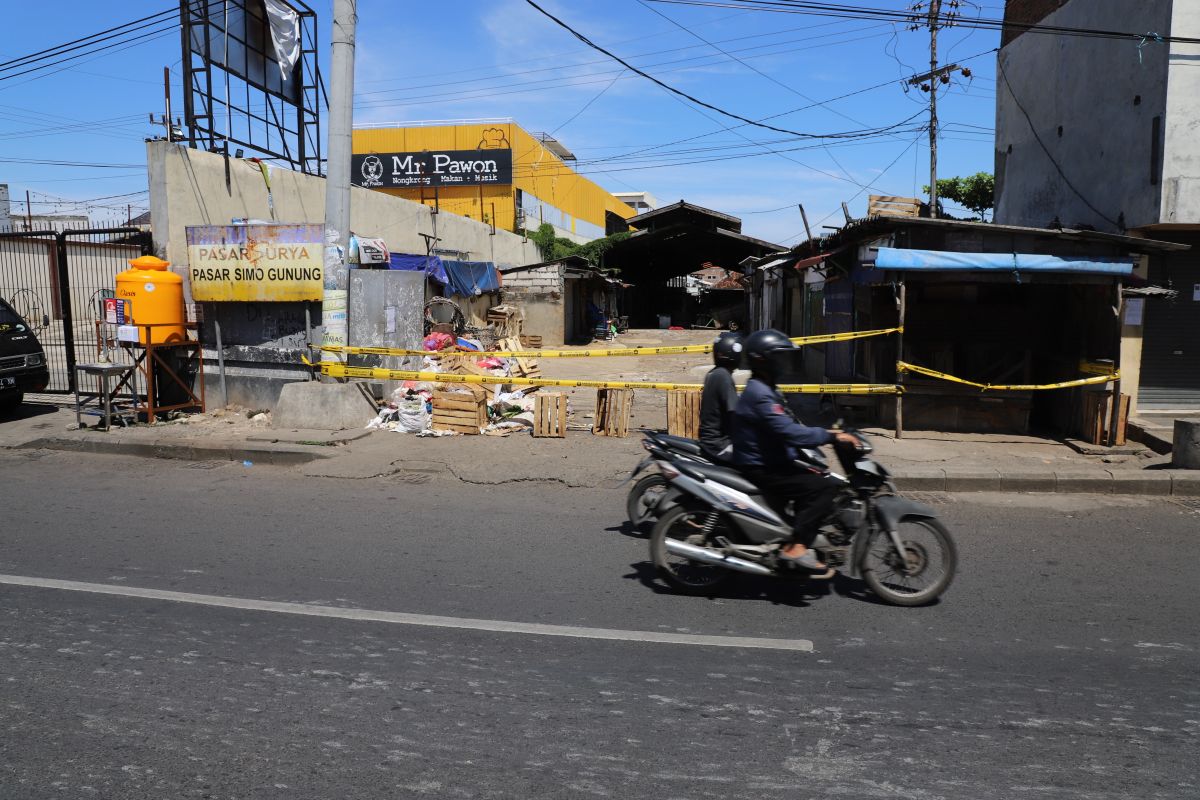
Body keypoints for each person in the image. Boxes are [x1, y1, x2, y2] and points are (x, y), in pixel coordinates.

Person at [731, 328, 858, 571]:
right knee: (822, 489)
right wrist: (828, 436)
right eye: (779, 358)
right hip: (763, 465)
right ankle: (797, 547)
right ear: (763, 361)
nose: (784, 364)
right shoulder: (760, 394)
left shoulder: (765, 388)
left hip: (771, 458)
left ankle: (795, 532)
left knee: (818, 476)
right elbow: (789, 432)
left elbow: (787, 423)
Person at [698, 331, 742, 464]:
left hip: (709, 440)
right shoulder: (723, 377)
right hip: (719, 444)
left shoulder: (713, 373)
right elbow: (735, 412)